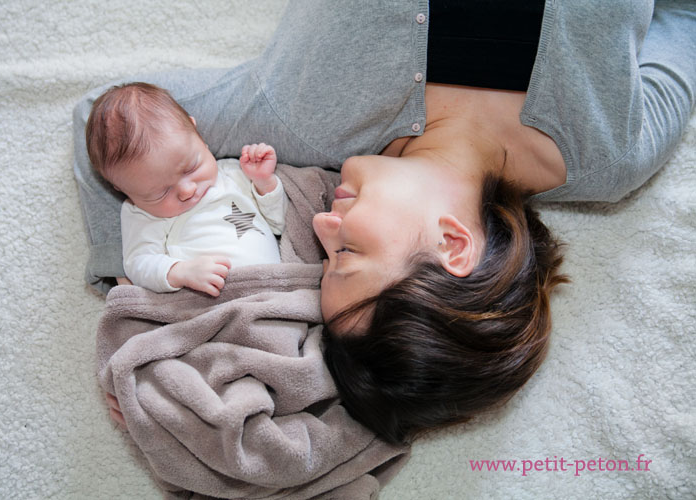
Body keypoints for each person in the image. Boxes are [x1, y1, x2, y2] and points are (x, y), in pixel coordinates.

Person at [73, 1, 696, 443]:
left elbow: (97, 124)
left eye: (326, 257)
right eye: (347, 256)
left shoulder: (295, 120)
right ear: (455, 245)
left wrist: (141, 289)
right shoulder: (614, 151)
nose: (320, 226)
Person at [85, 82, 286, 296]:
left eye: (191, 167)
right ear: (124, 190)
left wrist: (264, 182)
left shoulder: (233, 172)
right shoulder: (142, 213)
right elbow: (138, 263)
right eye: (161, 193)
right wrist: (180, 271)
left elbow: (278, 224)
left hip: (276, 290)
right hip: (213, 306)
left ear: (196, 133)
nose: (187, 190)